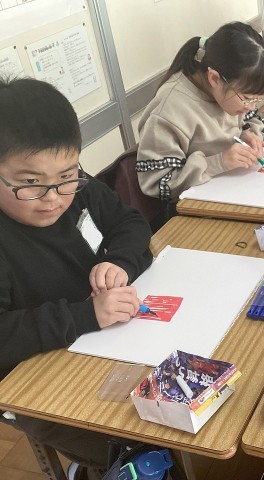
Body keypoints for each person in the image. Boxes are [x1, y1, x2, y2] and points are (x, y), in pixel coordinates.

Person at [0, 77, 153, 479]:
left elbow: (130, 223)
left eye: (67, 175)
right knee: (137, 440)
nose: (53, 197)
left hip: (104, 340)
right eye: (30, 182)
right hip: (31, 377)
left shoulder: (78, 190)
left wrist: (120, 261)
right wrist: (86, 316)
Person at [136, 22, 264, 203]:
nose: (251, 106)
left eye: (258, 99)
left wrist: (247, 133)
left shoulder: (230, 93)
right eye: (248, 98)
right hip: (194, 205)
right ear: (214, 78)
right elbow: (158, 183)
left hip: (233, 188)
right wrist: (218, 162)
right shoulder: (170, 110)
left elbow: (247, 119)